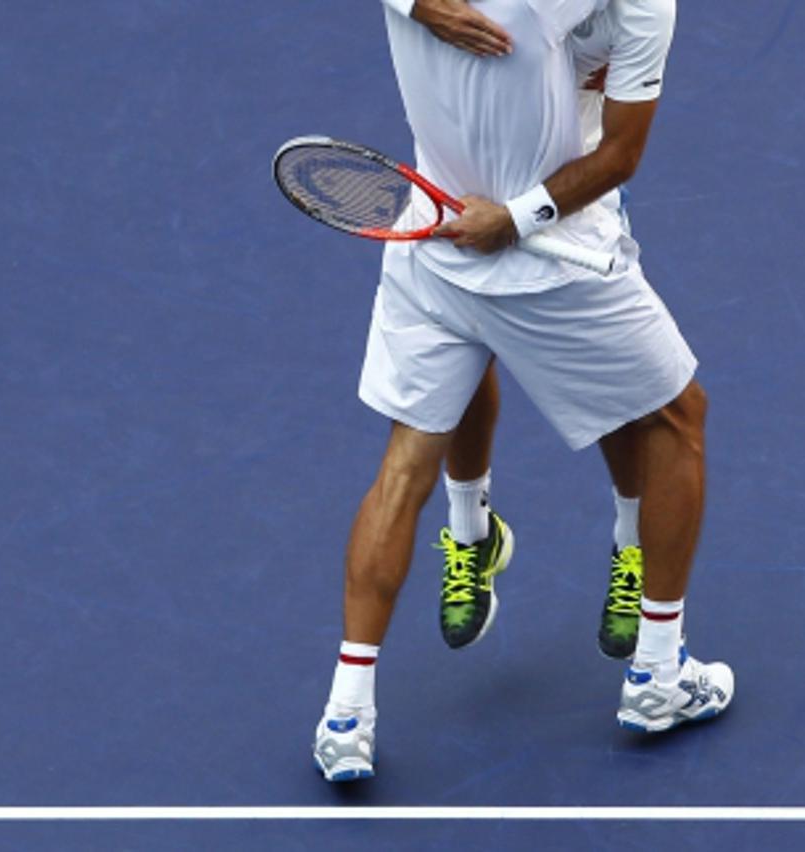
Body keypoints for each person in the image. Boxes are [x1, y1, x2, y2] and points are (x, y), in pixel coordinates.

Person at [312, 0, 732, 783]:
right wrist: (513, 218)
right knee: (674, 417)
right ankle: (658, 674)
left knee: (404, 466)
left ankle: (346, 713)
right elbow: (620, 155)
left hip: (433, 242)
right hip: (548, 259)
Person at [420, 0, 683, 662]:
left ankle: (632, 546)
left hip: (569, 202)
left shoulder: (646, 8)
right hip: (462, 168)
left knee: (631, 396)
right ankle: (471, 531)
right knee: (464, 351)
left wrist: (515, 218)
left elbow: (621, 153)